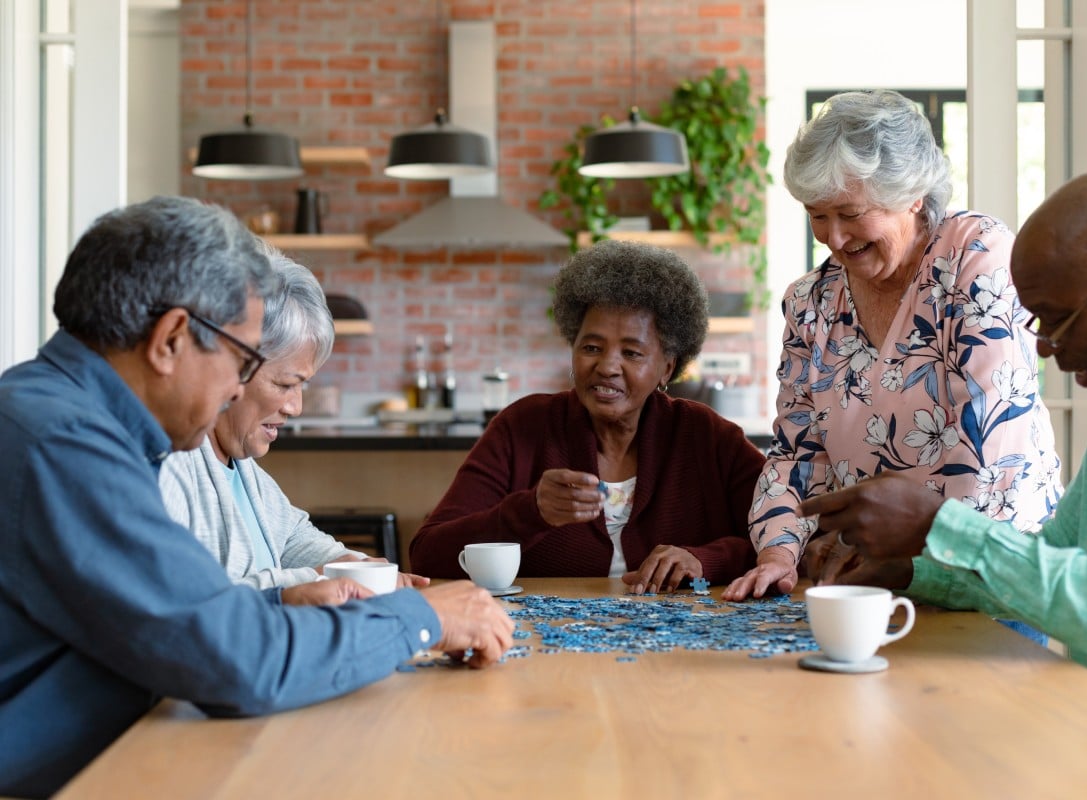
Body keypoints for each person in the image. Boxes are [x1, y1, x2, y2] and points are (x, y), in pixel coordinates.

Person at [0, 197, 514, 799]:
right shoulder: (67, 446)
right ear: (170, 340)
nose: (237, 389)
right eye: (244, 361)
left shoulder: (56, 415)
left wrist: (282, 596)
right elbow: (238, 660)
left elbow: (183, 621)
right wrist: (421, 619)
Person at [801, 172, 1087, 721]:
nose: (1042, 347)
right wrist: (911, 573)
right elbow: (1052, 560)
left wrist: (941, 524)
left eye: (1059, 321)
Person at [724, 89, 1062, 602]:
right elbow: (797, 453)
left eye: (850, 213)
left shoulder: (975, 259)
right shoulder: (810, 302)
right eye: (817, 215)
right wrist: (779, 553)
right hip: (868, 579)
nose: (833, 238)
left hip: (985, 574)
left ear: (913, 196)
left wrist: (909, 563)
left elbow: (991, 445)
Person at [410, 239, 766, 592]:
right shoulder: (522, 427)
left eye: (632, 353)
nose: (607, 366)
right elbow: (427, 553)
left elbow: (788, 539)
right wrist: (529, 512)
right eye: (591, 348)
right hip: (545, 639)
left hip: (680, 642)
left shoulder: (707, 436)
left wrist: (706, 559)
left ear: (667, 368)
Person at [159, 245, 428, 590]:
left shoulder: (241, 467)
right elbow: (203, 604)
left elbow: (290, 538)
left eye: (303, 385)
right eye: (286, 384)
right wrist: (320, 579)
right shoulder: (172, 465)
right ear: (230, 363)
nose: (295, 407)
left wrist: (353, 564)